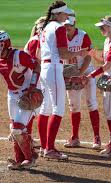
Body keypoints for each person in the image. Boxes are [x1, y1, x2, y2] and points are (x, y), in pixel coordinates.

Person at [0, 30, 41, 170]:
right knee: (14, 129)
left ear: (6, 44)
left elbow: (37, 65)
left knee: (17, 129)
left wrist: (33, 87)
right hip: (13, 95)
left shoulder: (19, 56)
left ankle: (31, 157)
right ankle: (19, 159)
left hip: (28, 95)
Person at [37, 0, 88, 160]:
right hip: (53, 69)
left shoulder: (46, 27)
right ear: (58, 14)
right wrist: (79, 52)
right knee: (58, 109)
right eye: (65, 12)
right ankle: (50, 149)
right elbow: (64, 53)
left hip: (45, 69)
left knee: (45, 108)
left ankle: (44, 146)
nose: (67, 15)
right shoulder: (58, 28)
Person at [88, 16, 111, 158]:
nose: (100, 29)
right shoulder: (107, 41)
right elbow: (106, 61)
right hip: (108, 82)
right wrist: (95, 56)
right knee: (109, 115)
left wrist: (90, 76)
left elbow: (108, 66)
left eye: (102, 27)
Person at [62, 11, 101, 149]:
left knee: (91, 103)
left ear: (74, 24)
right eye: (65, 26)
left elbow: (88, 57)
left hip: (86, 71)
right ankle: (75, 138)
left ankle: (96, 138)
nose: (67, 28)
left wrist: (80, 73)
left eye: (69, 26)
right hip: (70, 73)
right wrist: (70, 74)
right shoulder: (60, 37)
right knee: (74, 106)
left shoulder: (82, 36)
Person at [23, 16, 46, 140]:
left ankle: (28, 136)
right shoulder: (35, 41)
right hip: (34, 78)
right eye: (41, 27)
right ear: (37, 29)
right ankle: (27, 135)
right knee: (33, 108)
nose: (42, 29)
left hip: (40, 77)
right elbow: (33, 64)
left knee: (36, 109)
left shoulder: (44, 40)